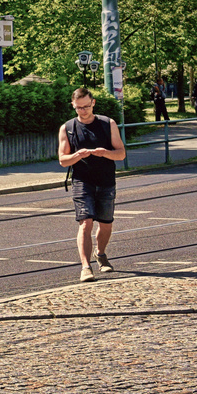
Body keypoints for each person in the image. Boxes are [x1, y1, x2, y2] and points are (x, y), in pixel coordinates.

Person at [60, 88, 126, 282]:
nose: (83, 111)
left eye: (86, 106)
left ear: (93, 103)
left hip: (106, 180)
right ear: (73, 105)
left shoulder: (108, 124)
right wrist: (76, 156)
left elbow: (121, 153)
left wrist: (104, 152)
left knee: (106, 225)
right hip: (82, 182)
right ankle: (85, 267)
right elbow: (63, 160)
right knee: (85, 222)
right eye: (79, 107)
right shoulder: (68, 128)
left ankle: (101, 253)